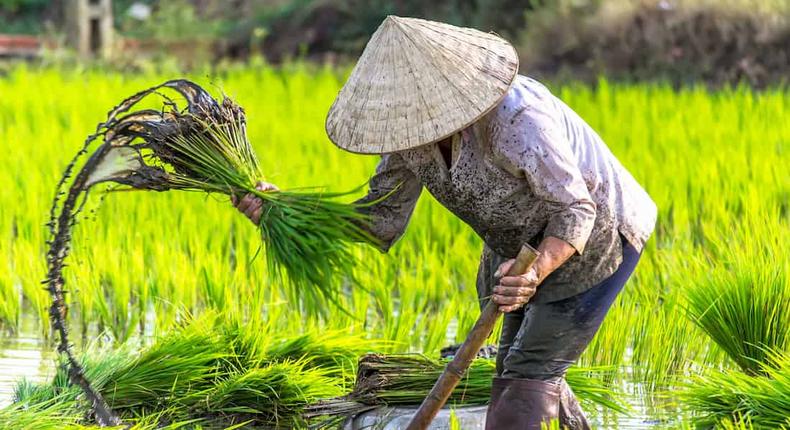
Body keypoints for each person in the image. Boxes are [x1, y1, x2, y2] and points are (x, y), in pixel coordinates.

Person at [233, 16, 656, 430]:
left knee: (525, 383)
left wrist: (538, 272)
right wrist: (285, 210)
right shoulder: (405, 140)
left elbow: (575, 209)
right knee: (511, 374)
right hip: (512, 246)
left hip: (598, 235)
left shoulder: (517, 118)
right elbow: (379, 219)